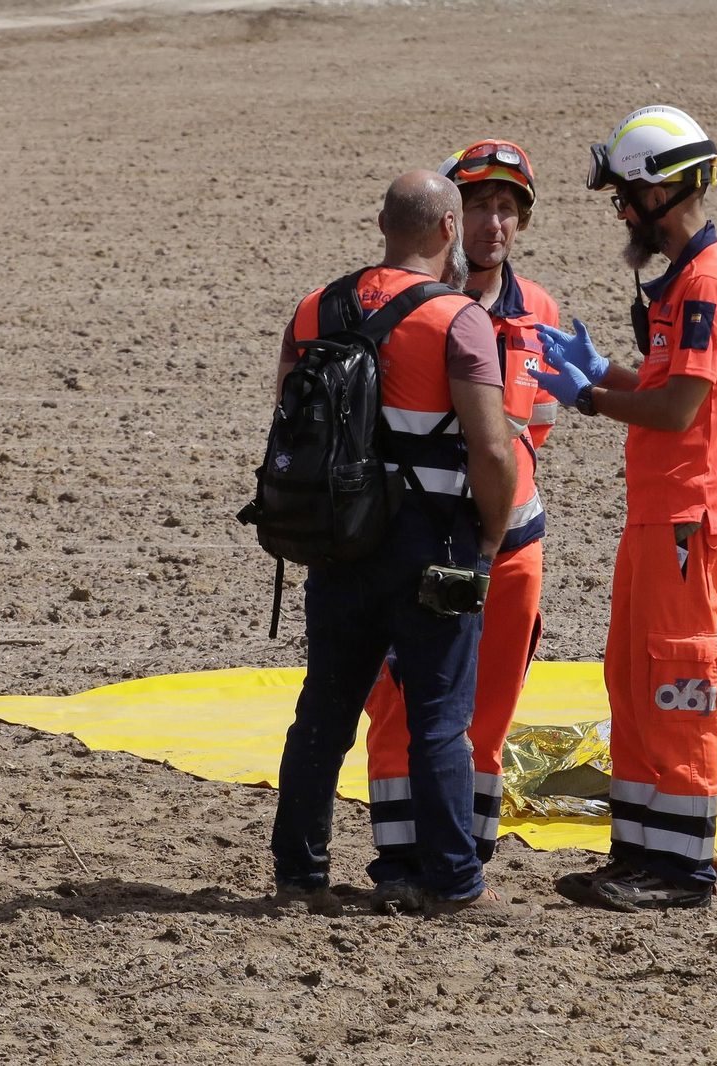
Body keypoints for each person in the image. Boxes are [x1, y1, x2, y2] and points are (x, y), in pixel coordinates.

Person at [269, 170, 522, 917]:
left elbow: (290, 417)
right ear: (449, 229)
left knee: (324, 710)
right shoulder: (458, 320)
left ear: (382, 222)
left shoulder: (317, 307)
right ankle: (454, 882)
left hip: (338, 540)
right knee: (440, 718)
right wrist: (491, 537)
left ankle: (300, 876)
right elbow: (494, 450)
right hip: (432, 542)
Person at [531, 105, 717, 911]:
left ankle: (680, 870)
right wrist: (605, 370)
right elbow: (663, 389)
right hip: (658, 511)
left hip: (687, 518)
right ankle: (639, 854)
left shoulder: (705, 285)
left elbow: (677, 413)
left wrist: (592, 397)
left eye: (627, 196)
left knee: (676, 684)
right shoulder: (682, 285)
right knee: (631, 680)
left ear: (665, 193)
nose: (621, 212)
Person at [362, 140, 564, 909]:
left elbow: (530, 433)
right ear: (450, 218)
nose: (496, 223)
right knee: (399, 708)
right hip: (417, 543)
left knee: (489, 713)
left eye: (510, 208)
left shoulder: (539, 311)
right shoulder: (403, 302)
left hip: (511, 545)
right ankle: (400, 863)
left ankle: (462, 862)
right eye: (480, 205)